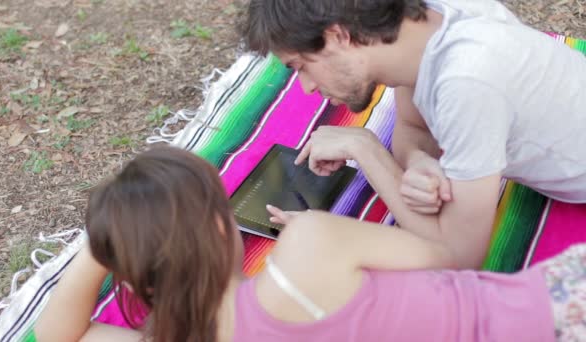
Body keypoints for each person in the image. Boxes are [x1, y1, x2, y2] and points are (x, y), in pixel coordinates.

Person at [34, 146, 586, 342]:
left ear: (131, 277)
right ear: (221, 227)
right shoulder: (314, 243)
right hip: (543, 317)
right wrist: (311, 232)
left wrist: (108, 234)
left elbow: (59, 333)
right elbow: (449, 258)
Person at [241, 0, 586, 269]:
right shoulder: (417, 27)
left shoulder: (467, 84)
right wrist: (420, 162)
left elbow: (457, 257)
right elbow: (413, 127)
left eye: (302, 66)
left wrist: (367, 149)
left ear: (338, 36)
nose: (306, 87)